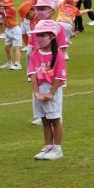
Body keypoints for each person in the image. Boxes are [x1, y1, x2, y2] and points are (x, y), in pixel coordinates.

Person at [27, 20, 66, 161]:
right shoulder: (35, 54)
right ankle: (48, 145)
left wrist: (51, 93)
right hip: (39, 89)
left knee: (55, 119)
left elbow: (59, 77)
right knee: (44, 120)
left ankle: (57, 148)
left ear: (51, 36)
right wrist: (36, 92)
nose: (38, 38)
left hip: (51, 90)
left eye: (42, 35)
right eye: (37, 35)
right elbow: (32, 74)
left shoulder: (58, 55)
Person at [0, 0, 22, 70]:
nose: (5, 5)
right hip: (8, 30)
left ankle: (18, 64)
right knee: (7, 48)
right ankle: (9, 63)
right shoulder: (5, 9)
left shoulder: (11, 10)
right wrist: (0, 1)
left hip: (15, 30)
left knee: (16, 48)